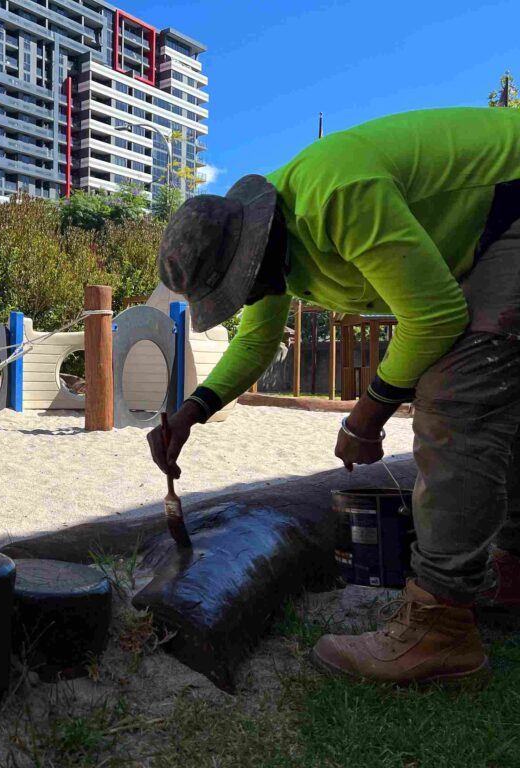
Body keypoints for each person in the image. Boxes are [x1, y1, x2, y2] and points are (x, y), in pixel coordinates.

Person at [148, 107, 520, 687]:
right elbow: (256, 341)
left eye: (237, 286)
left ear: (252, 249)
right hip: (485, 236)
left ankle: (440, 628)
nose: (245, 297)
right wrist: (192, 412)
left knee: (458, 394)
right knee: (499, 400)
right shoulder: (268, 246)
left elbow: (434, 317)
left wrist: (366, 416)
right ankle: (512, 573)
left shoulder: (334, 197)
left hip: (512, 201)